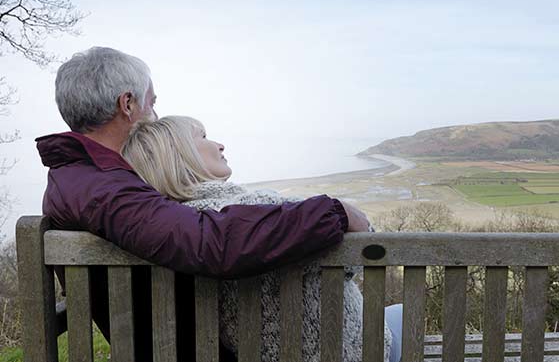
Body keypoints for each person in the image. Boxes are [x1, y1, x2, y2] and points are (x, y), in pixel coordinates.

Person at [36, 46, 370, 361]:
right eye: (152, 103)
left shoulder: (81, 179)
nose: (156, 116)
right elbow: (211, 243)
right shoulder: (105, 189)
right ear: (128, 104)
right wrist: (334, 212)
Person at [122, 115, 404, 362]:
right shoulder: (263, 209)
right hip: (349, 352)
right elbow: (357, 258)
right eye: (203, 136)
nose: (219, 145)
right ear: (179, 155)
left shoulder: (174, 231)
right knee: (402, 313)